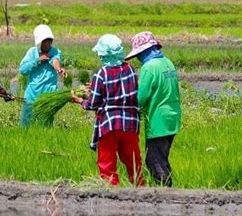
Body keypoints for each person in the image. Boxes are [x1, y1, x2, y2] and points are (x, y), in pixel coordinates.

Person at [71, 34, 144, 186]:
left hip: (109, 125)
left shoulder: (101, 74)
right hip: (130, 124)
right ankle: (140, 190)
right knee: (134, 163)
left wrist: (80, 101)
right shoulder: (130, 70)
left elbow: (93, 104)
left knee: (107, 164)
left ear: (104, 54)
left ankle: (111, 192)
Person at [125, 31, 181, 187]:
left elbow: (140, 98)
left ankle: (164, 194)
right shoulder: (167, 62)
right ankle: (167, 189)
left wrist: (126, 106)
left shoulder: (149, 67)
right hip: (172, 117)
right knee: (162, 157)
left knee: (154, 160)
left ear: (143, 51)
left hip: (158, 120)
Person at [19, 24, 66, 126]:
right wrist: (37, 61)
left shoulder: (55, 51)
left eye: (49, 41)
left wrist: (59, 69)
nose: (47, 44)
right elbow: (22, 70)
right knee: (25, 126)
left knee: (45, 127)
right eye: (45, 41)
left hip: (48, 97)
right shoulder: (32, 53)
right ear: (39, 42)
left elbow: (55, 60)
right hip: (31, 96)